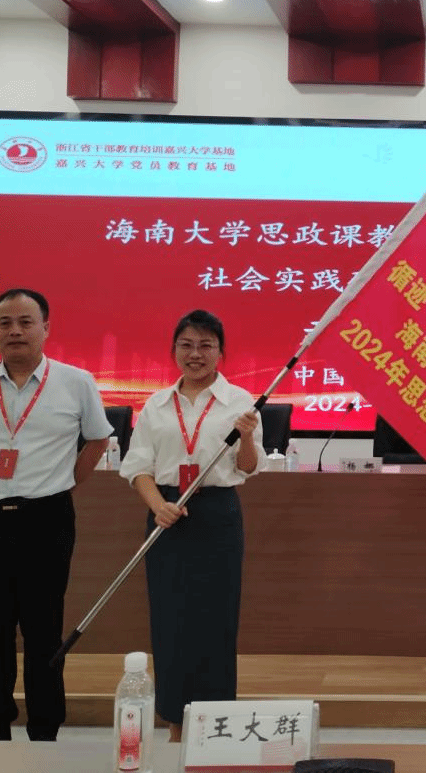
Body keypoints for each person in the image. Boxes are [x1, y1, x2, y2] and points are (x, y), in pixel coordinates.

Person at [0, 288, 112, 741]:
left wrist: (62, 484)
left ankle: (44, 733)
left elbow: (98, 440)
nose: (15, 330)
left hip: (45, 522)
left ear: (45, 328)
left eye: (25, 322)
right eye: (5, 323)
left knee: (44, 632)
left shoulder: (76, 382)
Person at [119, 310, 261, 743]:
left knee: (217, 621)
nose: (195, 354)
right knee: (171, 620)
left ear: (220, 352)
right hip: (166, 515)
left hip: (217, 516)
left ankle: (215, 725)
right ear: (173, 350)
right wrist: (157, 506)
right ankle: (175, 724)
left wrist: (247, 436)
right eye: (186, 345)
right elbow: (138, 467)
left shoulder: (240, 401)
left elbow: (248, 467)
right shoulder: (157, 405)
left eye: (205, 346)